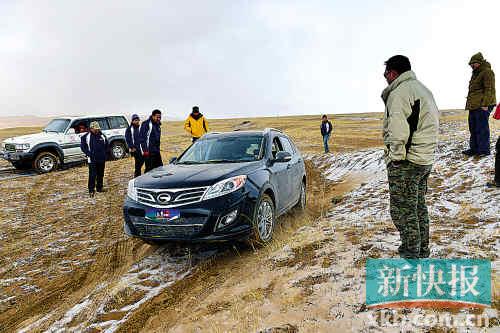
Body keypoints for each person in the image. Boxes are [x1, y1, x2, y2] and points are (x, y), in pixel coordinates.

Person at [381, 55, 439, 259]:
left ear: (394, 73)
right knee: (418, 207)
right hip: (424, 159)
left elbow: (398, 131)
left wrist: (396, 159)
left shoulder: (400, 93)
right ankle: (422, 251)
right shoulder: (424, 90)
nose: (384, 77)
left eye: (386, 73)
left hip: (407, 161)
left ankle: (411, 255)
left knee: (403, 211)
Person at [463, 52, 496, 157]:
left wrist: (485, 104)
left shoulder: (487, 72)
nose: (472, 66)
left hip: (483, 104)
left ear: (480, 62)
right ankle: (474, 149)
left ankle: (483, 150)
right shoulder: (475, 74)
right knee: (473, 128)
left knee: (482, 128)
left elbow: (489, 89)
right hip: (474, 105)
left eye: (474, 63)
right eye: (471, 64)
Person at [81, 121, 108, 197]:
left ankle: (99, 187)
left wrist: (105, 154)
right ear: (91, 128)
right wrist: (89, 154)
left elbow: (107, 145)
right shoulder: (86, 137)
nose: (97, 130)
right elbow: (83, 147)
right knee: (92, 175)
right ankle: (91, 190)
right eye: (95, 129)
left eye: (98, 129)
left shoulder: (102, 136)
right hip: (92, 160)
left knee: (101, 174)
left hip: (101, 159)